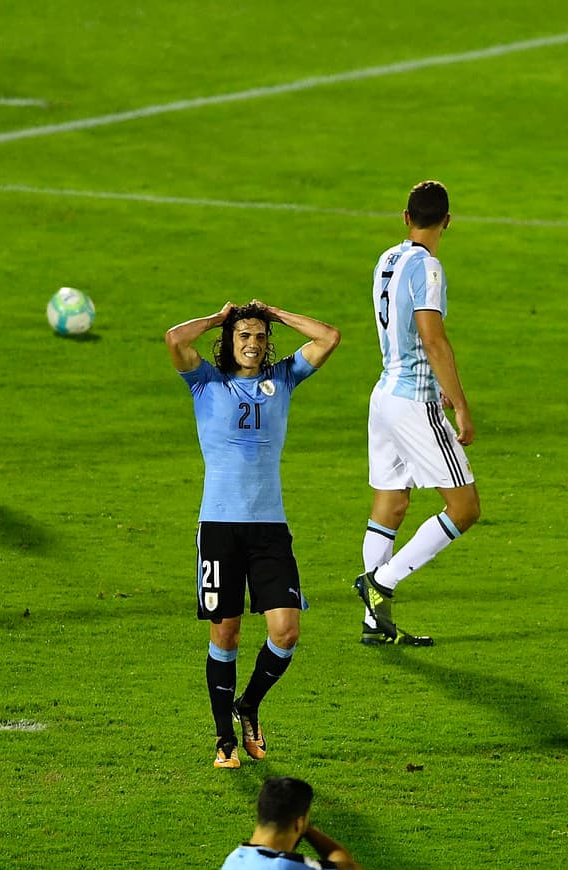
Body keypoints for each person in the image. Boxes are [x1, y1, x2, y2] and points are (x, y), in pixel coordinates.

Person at [166, 300, 340, 767]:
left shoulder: (282, 379)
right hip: (219, 527)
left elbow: (328, 337)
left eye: (260, 337)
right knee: (226, 634)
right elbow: (176, 339)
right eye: (243, 336)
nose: (253, 344)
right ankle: (224, 737)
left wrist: (277, 314)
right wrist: (218, 319)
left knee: (285, 632)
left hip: (269, 528)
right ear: (229, 341)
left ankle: (249, 705)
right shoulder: (205, 383)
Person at [354, 180, 480, 647]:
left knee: (391, 503)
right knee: (464, 508)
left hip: (384, 396)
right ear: (448, 220)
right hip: (413, 403)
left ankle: (374, 623)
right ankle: (381, 583)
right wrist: (460, 403)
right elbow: (432, 337)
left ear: (405, 217)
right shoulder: (428, 268)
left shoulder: (387, 259)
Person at [220, 777, 360, 869]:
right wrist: (307, 828)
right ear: (299, 823)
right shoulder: (289, 865)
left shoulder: (233, 860)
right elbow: (350, 867)